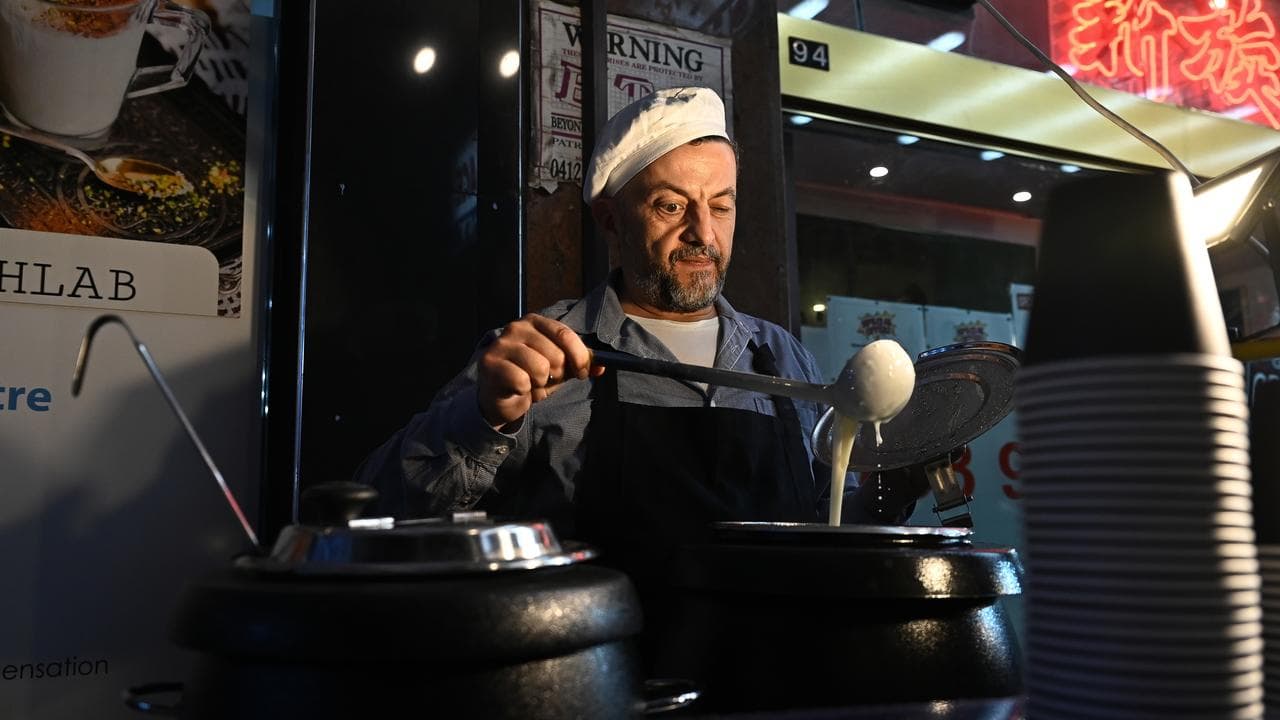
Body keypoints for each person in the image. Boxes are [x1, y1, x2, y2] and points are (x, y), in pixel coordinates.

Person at [356, 86, 888, 661]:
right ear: (611, 218)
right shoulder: (537, 353)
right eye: (670, 205)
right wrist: (482, 417)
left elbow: (830, 524)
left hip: (777, 689)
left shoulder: (783, 358)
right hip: (601, 689)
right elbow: (379, 511)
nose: (703, 234)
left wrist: (896, 484)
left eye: (722, 205)